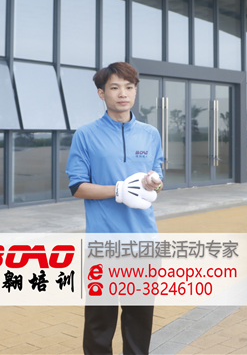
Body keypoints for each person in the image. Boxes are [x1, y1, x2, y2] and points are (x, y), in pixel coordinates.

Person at [66, 62, 164, 355]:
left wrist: (154, 183)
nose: (123, 93)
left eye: (129, 87)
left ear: (135, 91)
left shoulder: (150, 134)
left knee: (139, 325)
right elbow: (77, 186)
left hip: (144, 242)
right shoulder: (85, 135)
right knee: (99, 326)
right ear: (101, 93)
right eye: (115, 87)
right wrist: (119, 190)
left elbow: (157, 180)